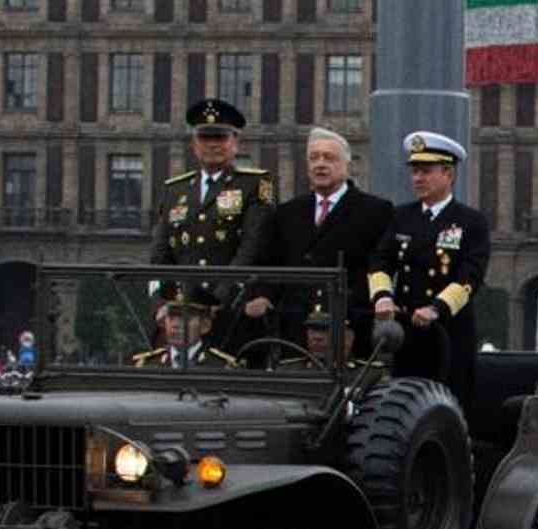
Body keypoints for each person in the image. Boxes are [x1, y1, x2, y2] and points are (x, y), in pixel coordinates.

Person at [249, 126, 394, 359]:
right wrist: (263, 295)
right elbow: (270, 262)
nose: (320, 164)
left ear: (347, 166)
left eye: (329, 158)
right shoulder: (288, 212)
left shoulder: (375, 210)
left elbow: (381, 263)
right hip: (297, 327)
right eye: (314, 158)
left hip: (349, 326)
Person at [369, 131, 491, 405]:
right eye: (414, 172)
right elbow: (380, 260)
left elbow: (471, 276)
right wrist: (382, 296)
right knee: (402, 402)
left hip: (448, 332)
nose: (418, 179)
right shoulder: (401, 216)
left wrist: (437, 308)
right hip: (405, 329)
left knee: (449, 404)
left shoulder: (470, 221)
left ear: (448, 174)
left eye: (426, 171)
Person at [147, 98, 277, 349]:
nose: (213, 145)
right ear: (194, 144)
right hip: (180, 313)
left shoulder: (255, 185)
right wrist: (161, 305)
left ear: (235, 142)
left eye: (220, 137)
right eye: (205, 138)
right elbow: (160, 253)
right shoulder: (175, 190)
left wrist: (214, 303)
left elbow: (251, 248)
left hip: (229, 309)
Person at [130, 290, 238, 369]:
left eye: (186, 317)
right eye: (172, 317)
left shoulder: (222, 367)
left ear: (205, 325)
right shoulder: (145, 365)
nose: (176, 324)